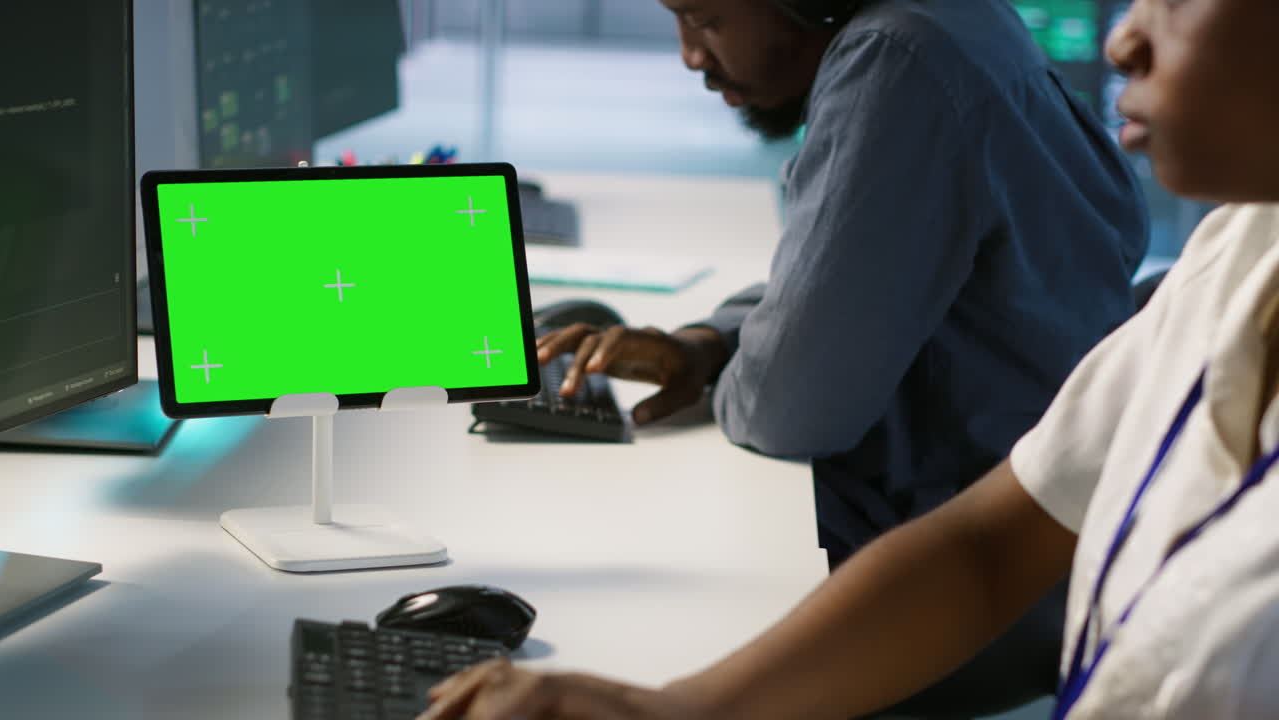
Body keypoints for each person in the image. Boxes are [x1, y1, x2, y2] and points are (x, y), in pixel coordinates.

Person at [420, 0, 1279, 716]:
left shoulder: (898, 57)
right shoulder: (1231, 252)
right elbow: (987, 545)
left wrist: (738, 357)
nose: (1123, 37)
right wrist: (671, 709)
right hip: (1033, 591)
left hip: (1003, 613)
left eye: (705, 17)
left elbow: (789, 406)